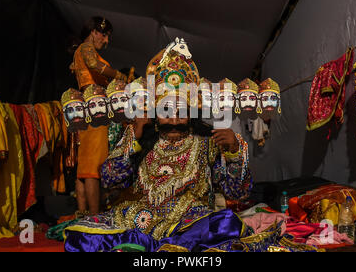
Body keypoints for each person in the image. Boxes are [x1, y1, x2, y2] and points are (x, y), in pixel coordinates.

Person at [61, 47, 253, 252]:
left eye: (181, 113)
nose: (174, 120)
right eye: (166, 112)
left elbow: (237, 193)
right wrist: (134, 138)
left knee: (226, 224)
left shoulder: (207, 142)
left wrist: (234, 151)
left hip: (189, 224)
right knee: (79, 234)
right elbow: (110, 180)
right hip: (137, 220)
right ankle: (158, 247)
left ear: (191, 113)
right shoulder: (139, 138)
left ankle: (161, 247)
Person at [69, 16, 127, 216]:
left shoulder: (80, 50)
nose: (107, 41)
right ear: (94, 31)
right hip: (95, 106)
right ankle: (95, 218)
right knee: (94, 163)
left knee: (84, 164)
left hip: (84, 106)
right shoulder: (86, 48)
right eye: (105, 35)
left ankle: (83, 212)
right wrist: (120, 76)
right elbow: (94, 64)